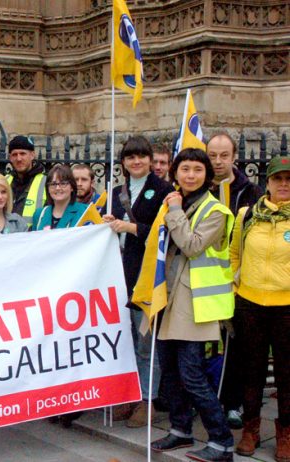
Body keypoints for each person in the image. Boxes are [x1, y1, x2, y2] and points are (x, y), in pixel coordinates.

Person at [151, 148, 235, 462]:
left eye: (197, 170)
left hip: (196, 304)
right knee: (170, 373)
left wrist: (173, 210)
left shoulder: (215, 210)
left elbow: (192, 244)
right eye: (185, 169)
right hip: (168, 299)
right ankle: (180, 428)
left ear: (207, 175)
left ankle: (222, 440)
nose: (190, 175)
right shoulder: (176, 203)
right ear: (176, 172)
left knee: (192, 375)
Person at [102, 135, 174, 427]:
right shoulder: (116, 191)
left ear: (149, 159)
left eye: (141, 156)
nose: (136, 161)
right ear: (123, 163)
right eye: (130, 157)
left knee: (146, 343)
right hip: (119, 275)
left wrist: (128, 227)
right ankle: (129, 396)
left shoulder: (163, 191)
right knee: (126, 341)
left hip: (145, 276)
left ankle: (148, 399)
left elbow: (163, 234)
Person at [230, 156, 290, 461]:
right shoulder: (247, 215)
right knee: (250, 370)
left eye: (289, 180)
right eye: (278, 179)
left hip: (287, 308)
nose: (284, 185)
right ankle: (251, 430)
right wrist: (236, 287)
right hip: (251, 304)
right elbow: (234, 254)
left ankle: (285, 434)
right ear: (267, 183)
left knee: (286, 374)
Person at [206, 131, 264, 429]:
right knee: (204, 342)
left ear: (234, 157)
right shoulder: (199, 186)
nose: (218, 161)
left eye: (223, 155)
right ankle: (206, 398)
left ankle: (233, 402)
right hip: (203, 276)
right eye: (213, 155)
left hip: (235, 278)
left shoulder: (249, 191)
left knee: (236, 343)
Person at [6, 135, 46, 226]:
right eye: (14, 155)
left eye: (22, 154)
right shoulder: (5, 181)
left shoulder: (46, 182)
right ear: (10, 158)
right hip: (6, 237)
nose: (18, 159)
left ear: (32, 155)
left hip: (34, 238)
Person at [32, 164, 87, 230]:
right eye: (53, 184)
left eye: (63, 183)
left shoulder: (85, 211)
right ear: (48, 189)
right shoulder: (39, 214)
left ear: (72, 187)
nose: (57, 188)